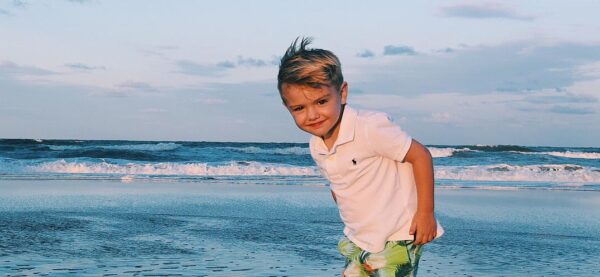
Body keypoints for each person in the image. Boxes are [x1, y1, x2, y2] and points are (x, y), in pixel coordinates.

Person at [277, 37, 444, 277]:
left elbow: (421, 156)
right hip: (361, 237)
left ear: (342, 93)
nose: (312, 115)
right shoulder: (317, 145)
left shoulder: (370, 127)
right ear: (288, 107)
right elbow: (340, 185)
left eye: (322, 101)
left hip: (398, 234)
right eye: (299, 108)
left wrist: (425, 214)